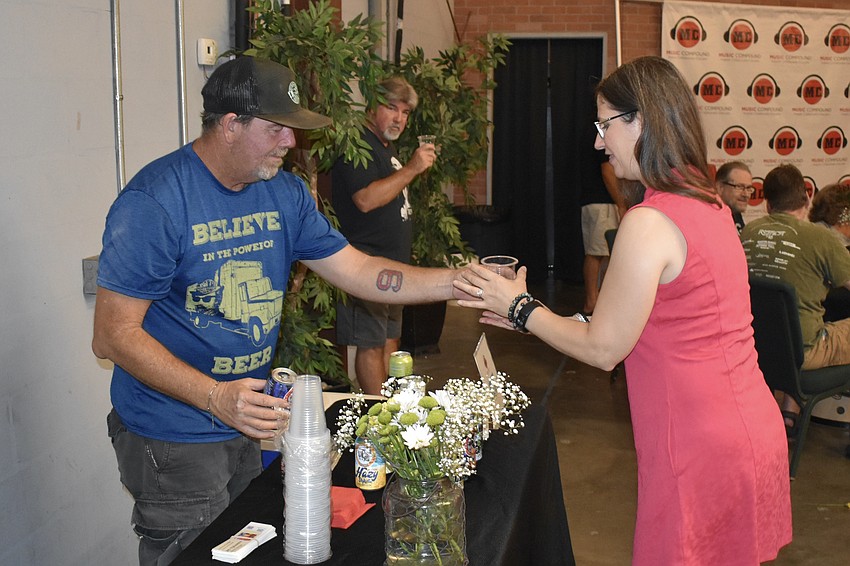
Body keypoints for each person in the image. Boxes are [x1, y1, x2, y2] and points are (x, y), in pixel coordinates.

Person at [92, 57, 463, 566]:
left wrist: (458, 282)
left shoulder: (283, 193)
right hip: (174, 436)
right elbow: (112, 336)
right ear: (229, 125)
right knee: (192, 555)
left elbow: (358, 271)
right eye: (276, 129)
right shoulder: (156, 201)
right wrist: (214, 395)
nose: (291, 143)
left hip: (247, 421)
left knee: (249, 550)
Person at [455, 56, 791, 565]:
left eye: (604, 124)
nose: (598, 142)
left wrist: (521, 307)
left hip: (696, 447)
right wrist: (534, 317)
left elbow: (606, 349)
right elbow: (638, 320)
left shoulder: (650, 221)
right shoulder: (708, 203)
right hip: (744, 430)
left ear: (644, 120)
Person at [331, 77, 437, 394]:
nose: (399, 119)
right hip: (365, 264)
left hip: (393, 268)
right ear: (372, 104)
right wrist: (412, 169)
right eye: (392, 108)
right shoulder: (358, 145)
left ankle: (392, 409)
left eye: (405, 112)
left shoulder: (386, 148)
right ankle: (377, 414)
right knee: (370, 343)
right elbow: (365, 200)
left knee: (390, 338)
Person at [741, 167, 850, 426]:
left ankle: (790, 411)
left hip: (759, 348)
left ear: (767, 204)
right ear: (806, 199)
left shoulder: (748, 233)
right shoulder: (820, 238)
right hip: (805, 352)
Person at [580, 155, 625, 315]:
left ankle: (598, 299)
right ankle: (592, 301)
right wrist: (621, 204)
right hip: (601, 203)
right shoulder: (598, 136)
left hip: (599, 202)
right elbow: (607, 170)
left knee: (602, 253)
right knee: (597, 252)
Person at [714, 160, 753, 233]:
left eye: (748, 188)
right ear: (720, 187)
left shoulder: (735, 212)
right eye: (739, 187)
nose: (745, 194)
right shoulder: (711, 218)